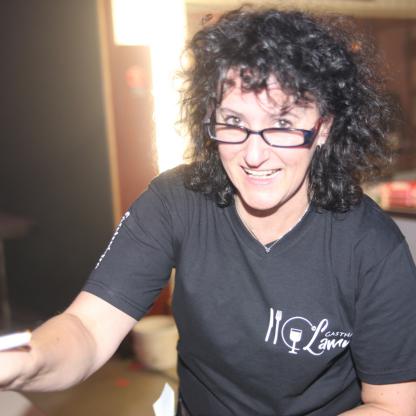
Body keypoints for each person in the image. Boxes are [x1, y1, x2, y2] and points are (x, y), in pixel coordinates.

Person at [1, 5, 416, 415]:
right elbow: (88, 329)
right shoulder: (176, 201)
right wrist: (26, 360)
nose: (254, 154)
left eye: (283, 125)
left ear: (323, 127)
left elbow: (392, 406)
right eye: (233, 122)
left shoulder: (370, 246)